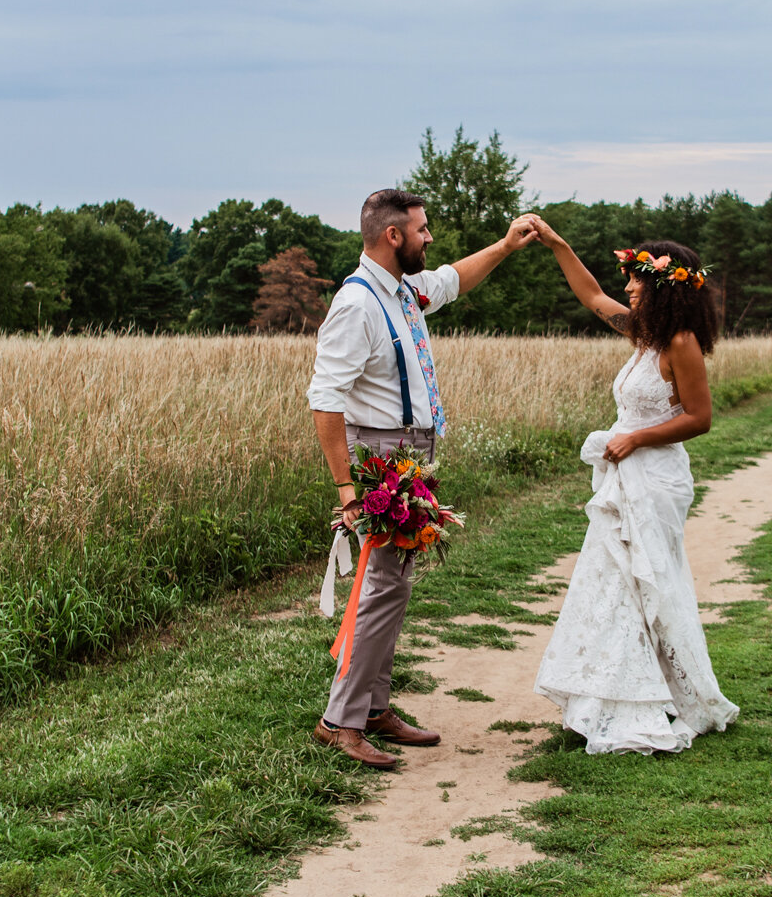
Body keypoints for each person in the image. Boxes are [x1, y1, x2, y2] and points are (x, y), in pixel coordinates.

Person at [306, 189, 539, 769]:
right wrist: (347, 492)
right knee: (382, 588)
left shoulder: (405, 291)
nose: (429, 237)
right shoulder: (357, 304)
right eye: (422, 229)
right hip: (380, 457)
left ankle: (374, 708)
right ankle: (340, 720)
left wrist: (508, 246)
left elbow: (455, 279)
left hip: (412, 456)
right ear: (393, 236)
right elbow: (324, 401)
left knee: (395, 584)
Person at [522, 218, 740, 754]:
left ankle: (651, 701)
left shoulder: (681, 343)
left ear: (661, 286)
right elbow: (591, 294)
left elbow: (700, 417)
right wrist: (556, 244)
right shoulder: (645, 336)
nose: (626, 288)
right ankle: (605, 702)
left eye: (636, 281)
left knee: (648, 584)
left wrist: (637, 438)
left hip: (656, 478)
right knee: (613, 584)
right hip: (624, 475)